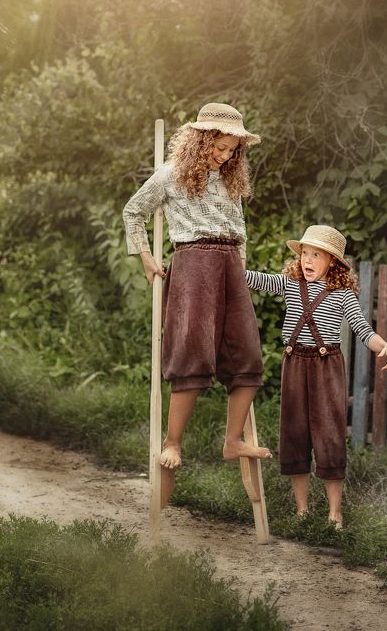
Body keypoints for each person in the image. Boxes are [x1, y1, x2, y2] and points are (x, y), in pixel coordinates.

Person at [123, 102, 271, 507]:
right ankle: (173, 442)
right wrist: (146, 258)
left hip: (230, 266)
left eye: (232, 151)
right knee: (191, 351)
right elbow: (133, 211)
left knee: (248, 355)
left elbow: (239, 229)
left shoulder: (229, 180)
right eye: (219, 148)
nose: (224, 156)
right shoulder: (171, 175)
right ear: (202, 141)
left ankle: (233, 440)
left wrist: (240, 267)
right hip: (193, 264)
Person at [246, 225, 387, 528]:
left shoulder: (343, 294)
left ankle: (334, 513)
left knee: (329, 435)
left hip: (326, 368)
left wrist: (385, 346)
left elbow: (362, 329)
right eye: (305, 254)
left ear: (332, 262)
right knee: (294, 432)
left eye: (316, 255)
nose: (308, 260)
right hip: (294, 363)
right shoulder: (290, 283)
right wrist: (231, 266)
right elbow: (257, 280)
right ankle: (302, 510)